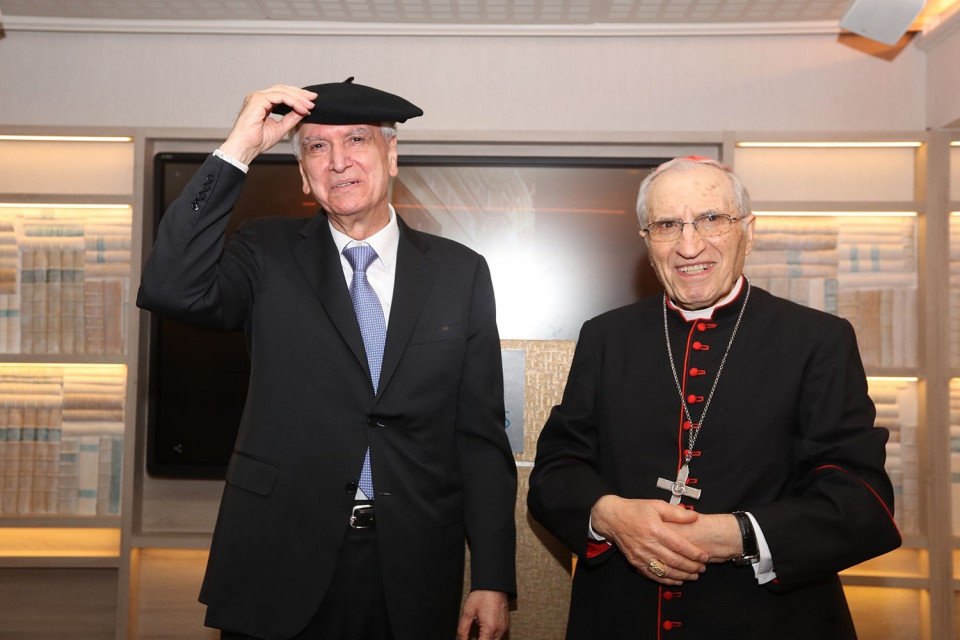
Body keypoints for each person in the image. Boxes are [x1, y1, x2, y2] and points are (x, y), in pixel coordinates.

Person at [137, 79, 516, 640]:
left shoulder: (461, 273)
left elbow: (480, 437)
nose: (338, 161)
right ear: (302, 172)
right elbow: (171, 287)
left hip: (410, 571)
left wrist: (491, 575)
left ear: (392, 154)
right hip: (276, 561)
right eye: (317, 146)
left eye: (357, 140)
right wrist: (239, 147)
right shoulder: (264, 250)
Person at [527, 156, 901, 638]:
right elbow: (556, 470)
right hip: (621, 617)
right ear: (646, 240)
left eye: (711, 219)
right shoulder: (606, 337)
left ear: (748, 229)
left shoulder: (816, 340)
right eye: (667, 225)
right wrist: (608, 515)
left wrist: (736, 534)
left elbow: (862, 501)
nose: (689, 245)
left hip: (768, 619)